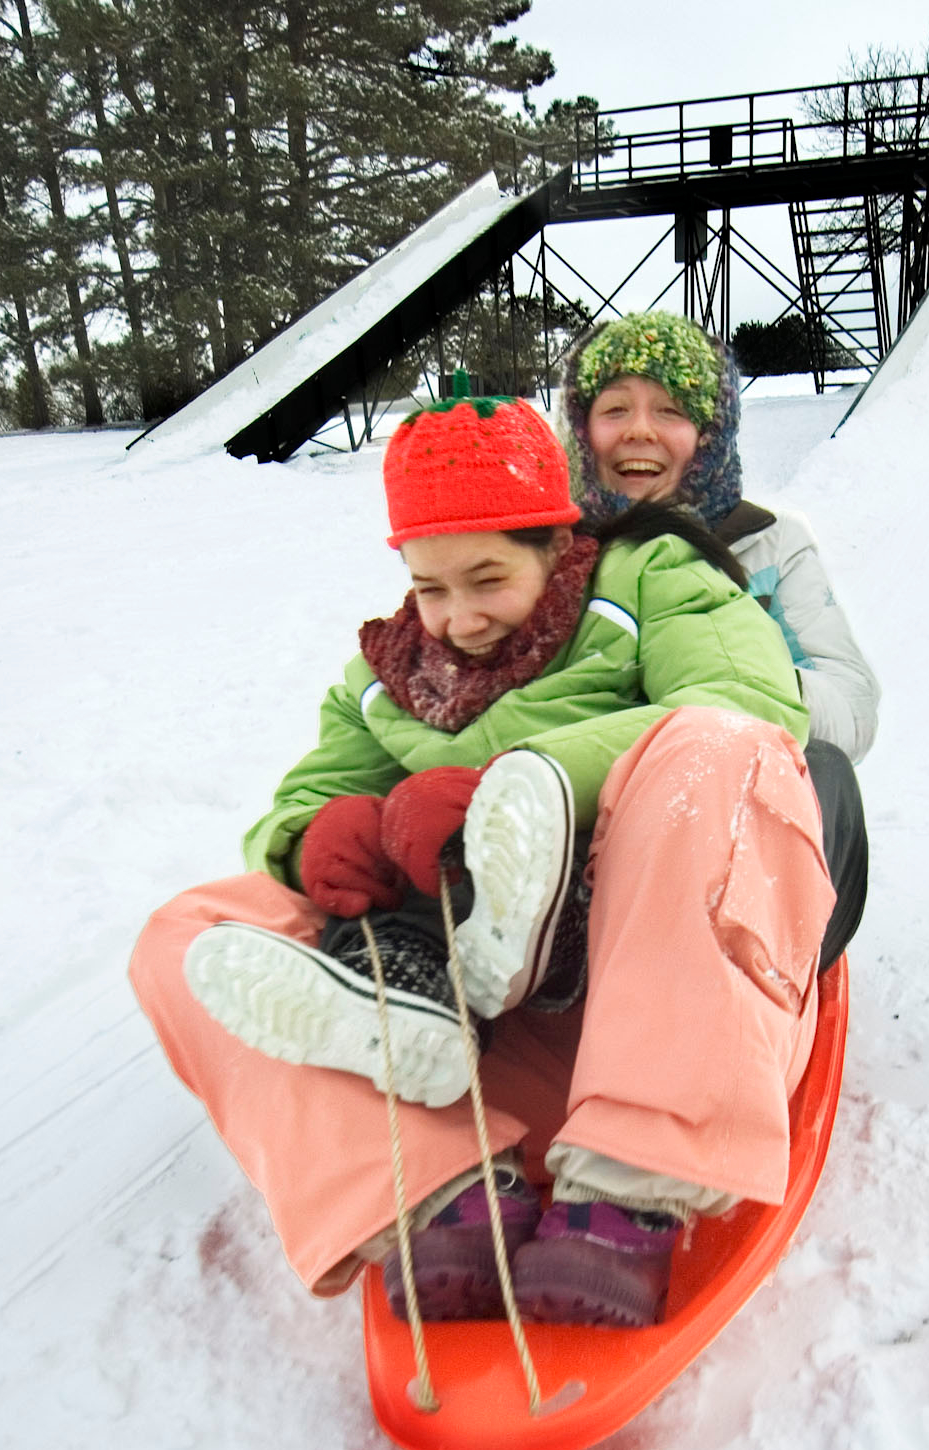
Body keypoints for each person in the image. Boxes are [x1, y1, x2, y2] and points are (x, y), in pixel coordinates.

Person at [129, 378, 843, 1331]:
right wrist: (318, 838)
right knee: (187, 933)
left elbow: (754, 707)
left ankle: (634, 1185)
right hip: (480, 1010)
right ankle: (438, 1190)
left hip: (663, 993)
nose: (457, 617)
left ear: (556, 546)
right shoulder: (387, 676)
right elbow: (302, 797)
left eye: (486, 581)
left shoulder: (652, 579)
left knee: (718, 746)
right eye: (429, 587)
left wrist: (525, 778)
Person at [558, 309, 882, 764]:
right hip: (578, 804)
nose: (640, 430)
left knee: (829, 776)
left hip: (740, 797)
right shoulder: (550, 553)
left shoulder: (769, 545)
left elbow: (853, 707)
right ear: (581, 428)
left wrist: (746, 679)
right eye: (615, 409)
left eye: (671, 410)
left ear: (710, 433)